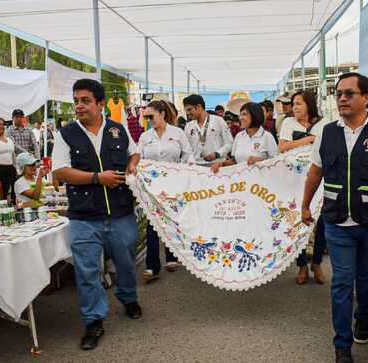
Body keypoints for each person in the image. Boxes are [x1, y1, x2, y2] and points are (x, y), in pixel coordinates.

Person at [301, 72, 368, 363]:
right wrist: (305, 206)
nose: (342, 99)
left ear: (366, 98)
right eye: (339, 94)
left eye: (349, 93)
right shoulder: (326, 132)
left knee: (366, 279)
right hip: (337, 222)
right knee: (342, 282)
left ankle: (363, 318)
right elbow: (314, 172)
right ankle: (342, 345)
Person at [53, 79, 142, 351]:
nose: (79, 105)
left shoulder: (118, 129)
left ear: (101, 103)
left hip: (120, 212)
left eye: (85, 100)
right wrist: (96, 178)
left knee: (126, 261)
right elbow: (60, 171)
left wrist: (132, 165)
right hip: (84, 217)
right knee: (87, 271)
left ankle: (128, 298)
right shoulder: (65, 134)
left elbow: (135, 153)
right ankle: (93, 321)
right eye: (76, 100)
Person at [134, 100, 193, 282]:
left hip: (174, 185)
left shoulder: (178, 133)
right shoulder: (145, 137)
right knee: (153, 224)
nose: (148, 120)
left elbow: (188, 154)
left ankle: (172, 257)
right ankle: (152, 266)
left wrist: (185, 171)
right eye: (146, 117)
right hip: (152, 186)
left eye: (151, 116)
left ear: (162, 114)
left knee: (172, 220)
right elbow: (138, 158)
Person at [277, 90, 327, 285]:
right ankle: (302, 266)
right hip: (295, 180)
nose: (295, 107)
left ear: (309, 105)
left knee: (321, 221)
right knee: (298, 221)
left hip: (319, 178)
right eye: (294, 104)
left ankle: (317, 263)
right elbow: (282, 147)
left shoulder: (323, 123)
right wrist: (307, 139)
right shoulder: (288, 123)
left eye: (298, 103)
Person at [211, 102, 278, 173]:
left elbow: (276, 163)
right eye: (240, 115)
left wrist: (261, 161)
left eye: (244, 114)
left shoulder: (267, 137)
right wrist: (221, 164)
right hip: (242, 182)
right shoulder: (239, 136)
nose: (240, 118)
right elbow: (235, 160)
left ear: (255, 115)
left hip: (260, 182)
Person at [183, 94, 233, 165]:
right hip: (196, 166)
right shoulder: (188, 126)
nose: (188, 113)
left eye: (189, 109)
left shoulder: (218, 121)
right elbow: (186, 148)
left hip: (216, 166)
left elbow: (229, 143)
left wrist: (217, 154)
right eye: (186, 110)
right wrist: (190, 160)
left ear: (198, 106)